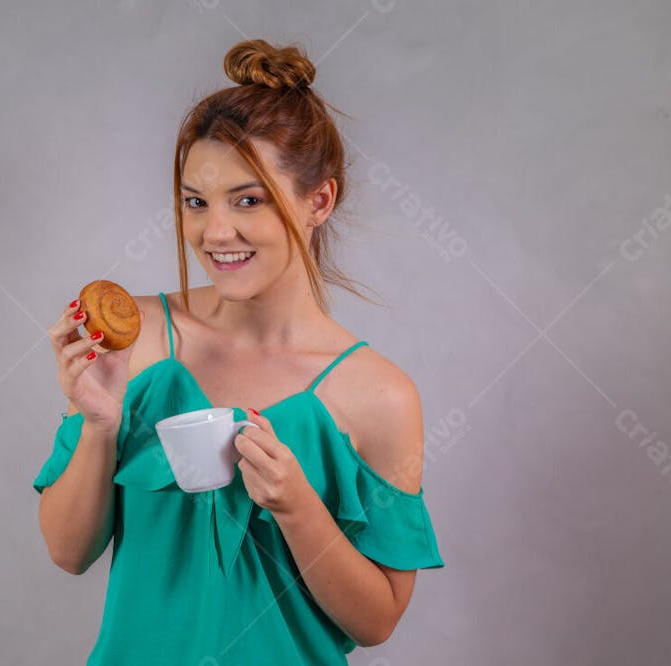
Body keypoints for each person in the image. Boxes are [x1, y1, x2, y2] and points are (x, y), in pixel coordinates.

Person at [34, 38, 444, 665]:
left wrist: (297, 506)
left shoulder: (379, 396)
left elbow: (377, 621)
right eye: (196, 202)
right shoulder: (139, 336)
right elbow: (67, 552)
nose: (214, 232)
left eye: (248, 200)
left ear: (320, 201)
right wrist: (99, 423)